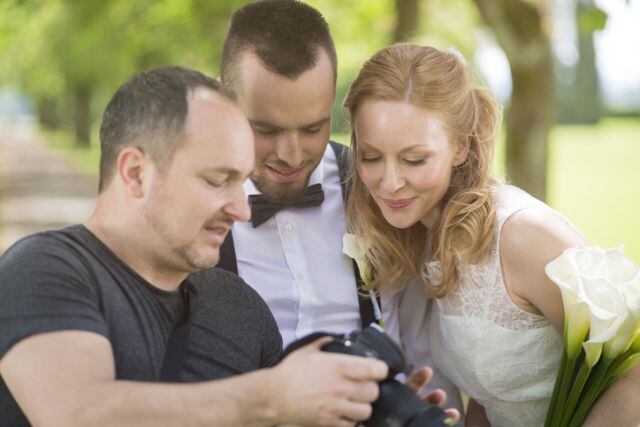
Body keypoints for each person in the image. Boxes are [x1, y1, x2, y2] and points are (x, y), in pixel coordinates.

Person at [0, 66, 392, 427]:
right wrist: (272, 395)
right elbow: (76, 414)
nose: (241, 210)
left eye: (242, 182)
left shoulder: (241, 307)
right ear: (136, 173)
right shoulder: (43, 269)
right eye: (217, 180)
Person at [344, 42, 640, 426]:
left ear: (461, 147)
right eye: (370, 157)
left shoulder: (521, 235)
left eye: (414, 159)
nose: (390, 183)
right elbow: (488, 397)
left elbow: (632, 377)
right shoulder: (426, 239)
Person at [216, 0, 464, 414]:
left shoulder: (382, 188)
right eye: (266, 128)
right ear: (223, 94)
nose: (291, 155)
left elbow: (422, 333)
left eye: (313, 127)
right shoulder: (187, 202)